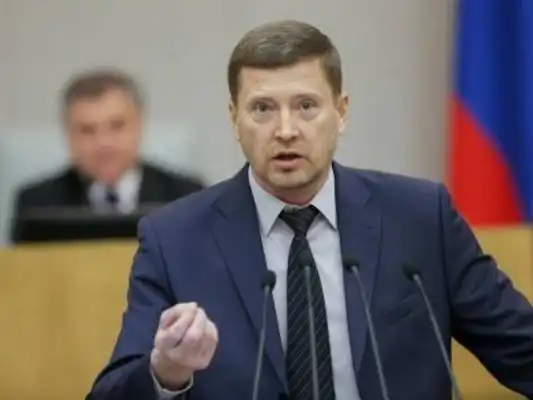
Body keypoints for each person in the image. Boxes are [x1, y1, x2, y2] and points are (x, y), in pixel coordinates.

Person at [87, 20, 533, 400]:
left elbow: (521, 349)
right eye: (262, 109)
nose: (286, 130)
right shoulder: (175, 240)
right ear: (234, 119)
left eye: (306, 106)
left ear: (341, 112)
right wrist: (165, 372)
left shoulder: (419, 218)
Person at [10, 68, 204, 243]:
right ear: (68, 136)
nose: (104, 143)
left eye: (117, 126)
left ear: (139, 126)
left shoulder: (188, 197)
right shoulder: (37, 204)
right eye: (87, 130)